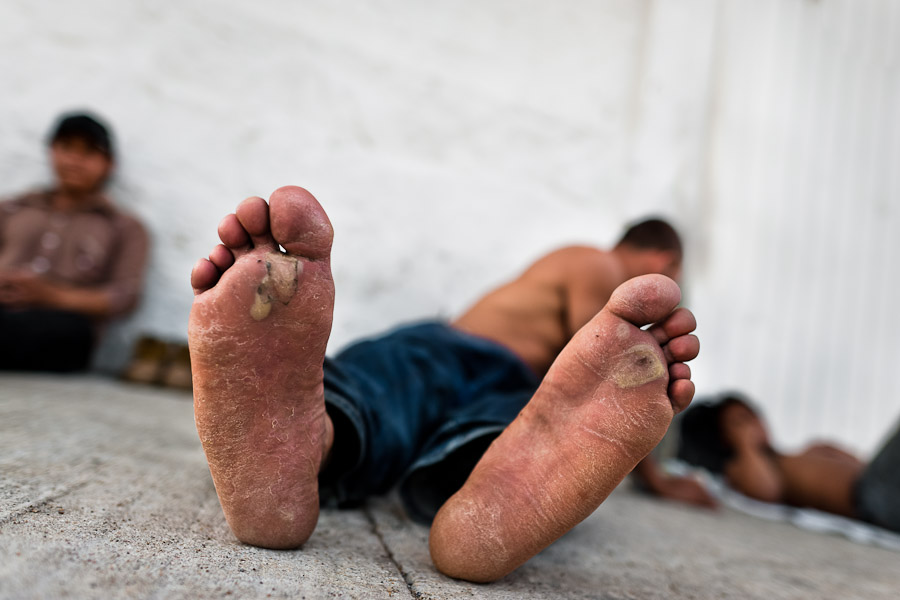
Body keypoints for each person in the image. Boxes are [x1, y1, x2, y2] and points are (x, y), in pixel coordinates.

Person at [188, 186, 700, 582]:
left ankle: (323, 442)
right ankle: (471, 502)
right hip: (482, 365)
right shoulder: (596, 261)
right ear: (664, 261)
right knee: (511, 430)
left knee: (383, 394)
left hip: (454, 364)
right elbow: (595, 366)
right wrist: (651, 474)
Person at [0, 112, 149, 372]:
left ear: (109, 163)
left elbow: (125, 298)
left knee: (61, 332)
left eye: (89, 152)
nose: (75, 160)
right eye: (67, 147)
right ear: (52, 151)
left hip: (64, 327)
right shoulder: (12, 209)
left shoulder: (124, 227)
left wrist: (51, 296)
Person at [678, 394, 900, 533]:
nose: (753, 424)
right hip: (869, 500)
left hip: (882, 489)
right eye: (739, 422)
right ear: (724, 440)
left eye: (753, 415)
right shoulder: (742, 469)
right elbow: (766, 492)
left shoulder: (810, 451)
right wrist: (746, 446)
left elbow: (866, 466)